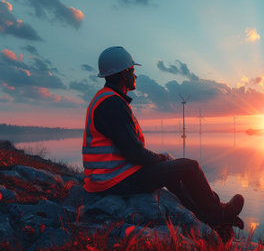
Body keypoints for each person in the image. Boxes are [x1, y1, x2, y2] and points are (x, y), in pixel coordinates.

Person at [82, 46, 244, 239]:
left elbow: (130, 150)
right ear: (124, 74)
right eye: (133, 71)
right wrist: (160, 159)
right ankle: (220, 214)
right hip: (114, 181)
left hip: (109, 177)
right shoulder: (112, 104)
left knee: (171, 165)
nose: (136, 76)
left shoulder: (107, 100)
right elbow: (134, 154)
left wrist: (163, 160)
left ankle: (205, 216)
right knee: (190, 166)